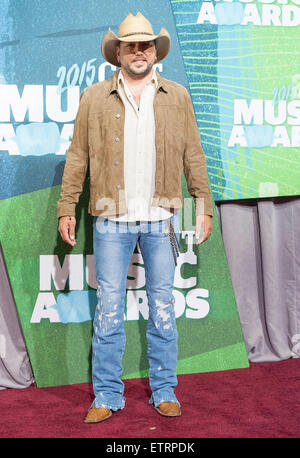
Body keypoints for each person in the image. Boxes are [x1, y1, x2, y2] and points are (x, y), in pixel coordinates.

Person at [57, 12, 213, 423]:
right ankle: (107, 395)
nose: (139, 51)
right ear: (119, 53)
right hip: (111, 218)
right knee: (109, 307)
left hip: (162, 218)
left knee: (163, 304)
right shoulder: (93, 97)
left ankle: (164, 389)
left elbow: (193, 154)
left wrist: (204, 204)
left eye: (146, 45)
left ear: (154, 51)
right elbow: (77, 158)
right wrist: (66, 206)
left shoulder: (177, 95)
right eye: (131, 45)